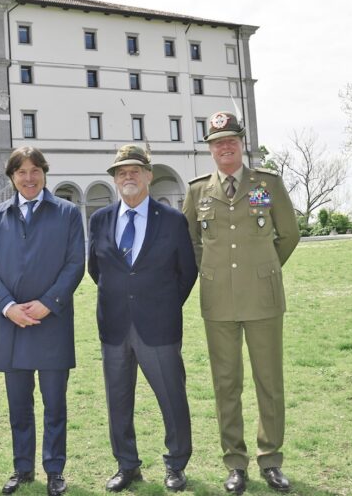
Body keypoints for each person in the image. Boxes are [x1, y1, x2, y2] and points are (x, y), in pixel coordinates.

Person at [182, 112, 300, 494]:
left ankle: (271, 459)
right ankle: (234, 462)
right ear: (211, 150)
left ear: (242, 144)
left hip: (263, 298)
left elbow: (289, 234)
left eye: (231, 140)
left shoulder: (266, 184)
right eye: (217, 143)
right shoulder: (198, 191)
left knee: (269, 382)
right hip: (218, 302)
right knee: (226, 384)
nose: (225, 147)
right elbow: (191, 243)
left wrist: (264, 269)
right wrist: (216, 272)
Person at [88, 145, 198, 492]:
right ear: (115, 180)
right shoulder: (100, 219)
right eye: (122, 172)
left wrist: (163, 304)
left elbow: (187, 272)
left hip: (159, 326)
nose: (129, 177)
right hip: (115, 326)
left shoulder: (172, 219)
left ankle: (176, 464)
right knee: (118, 401)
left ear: (149, 175)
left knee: (172, 398)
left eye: (136, 170)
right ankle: (127, 464)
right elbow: (97, 270)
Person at [0, 146, 85, 496]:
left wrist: (48, 303)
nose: (29, 178)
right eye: (21, 172)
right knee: (18, 406)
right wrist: (7, 306)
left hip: (51, 323)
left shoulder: (68, 213)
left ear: (44, 173)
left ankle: (54, 469)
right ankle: (22, 468)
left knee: (55, 404)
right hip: (12, 325)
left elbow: (75, 264)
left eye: (35, 170)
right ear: (11, 176)